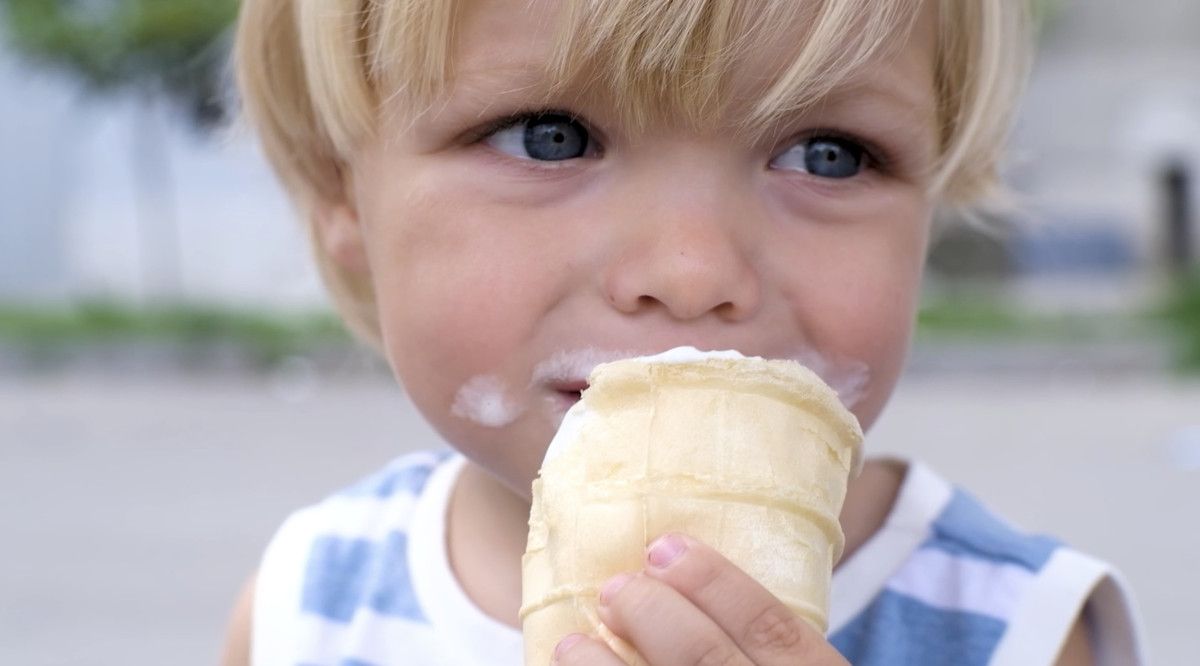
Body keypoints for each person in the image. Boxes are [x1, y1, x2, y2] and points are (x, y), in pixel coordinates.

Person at [222, 1, 1144, 664]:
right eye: (550, 136)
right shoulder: (307, 609)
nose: (694, 271)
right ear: (339, 184)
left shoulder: (1016, 631)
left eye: (827, 153)